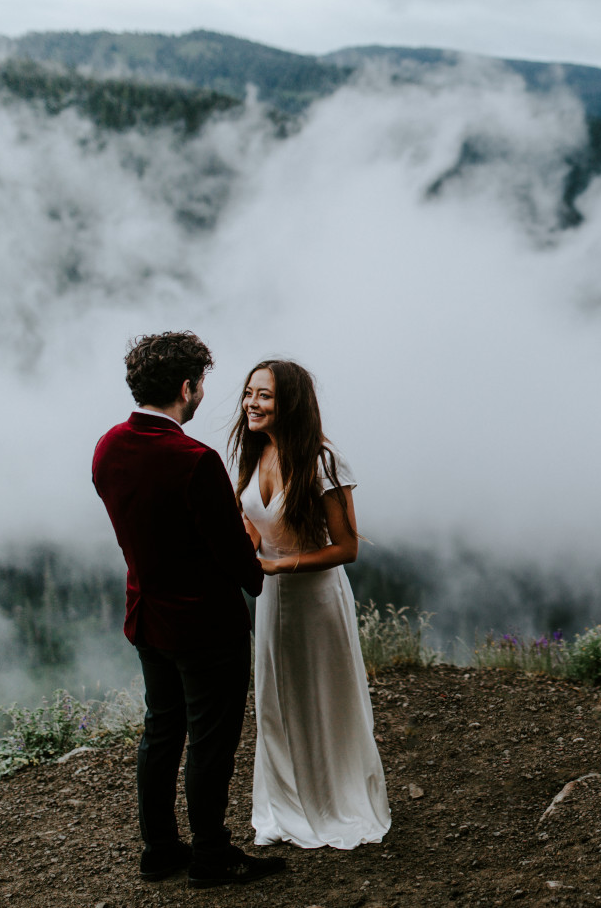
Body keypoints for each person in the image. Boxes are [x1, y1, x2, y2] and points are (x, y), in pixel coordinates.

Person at [91, 331, 286, 888]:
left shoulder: (108, 445)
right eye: (201, 384)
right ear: (186, 387)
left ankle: (159, 850)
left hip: (147, 617)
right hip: (204, 625)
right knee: (209, 742)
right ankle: (212, 855)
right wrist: (252, 550)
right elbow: (237, 563)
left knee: (160, 733)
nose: (203, 394)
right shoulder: (194, 460)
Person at [229, 359, 392, 849]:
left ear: (290, 404)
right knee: (276, 703)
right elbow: (256, 525)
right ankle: (285, 804)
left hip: (316, 598)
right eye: (250, 393)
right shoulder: (255, 453)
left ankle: (334, 801)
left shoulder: (323, 462)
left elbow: (347, 548)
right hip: (271, 599)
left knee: (325, 699)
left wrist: (279, 565)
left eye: (265, 396)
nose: (252, 404)